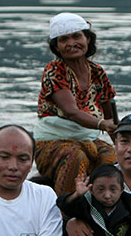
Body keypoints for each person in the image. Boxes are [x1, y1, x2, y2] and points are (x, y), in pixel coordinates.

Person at [34, 12, 119, 196]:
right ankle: (68, 211)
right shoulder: (54, 70)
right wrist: (102, 124)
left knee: (112, 159)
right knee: (75, 157)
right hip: (52, 142)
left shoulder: (97, 72)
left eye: (77, 36)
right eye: (63, 39)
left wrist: (121, 145)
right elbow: (71, 112)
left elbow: (110, 117)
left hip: (87, 139)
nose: (71, 43)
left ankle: (106, 210)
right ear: (57, 46)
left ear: (87, 39)